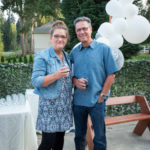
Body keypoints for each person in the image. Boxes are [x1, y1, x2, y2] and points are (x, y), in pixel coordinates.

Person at [70, 16, 119, 150]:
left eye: (85, 28)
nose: (82, 32)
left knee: (100, 138)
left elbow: (111, 75)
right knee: (79, 136)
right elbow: (70, 75)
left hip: (97, 101)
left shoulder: (104, 49)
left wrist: (102, 96)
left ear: (91, 29)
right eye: (79, 30)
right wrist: (75, 80)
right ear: (76, 32)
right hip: (79, 102)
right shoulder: (74, 52)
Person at [31, 20, 73, 150]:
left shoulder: (67, 57)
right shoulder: (42, 56)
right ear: (51, 38)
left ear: (66, 39)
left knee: (59, 141)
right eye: (56, 36)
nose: (60, 39)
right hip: (49, 107)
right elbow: (36, 81)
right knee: (47, 143)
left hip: (64, 106)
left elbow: (70, 79)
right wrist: (56, 75)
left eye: (63, 36)